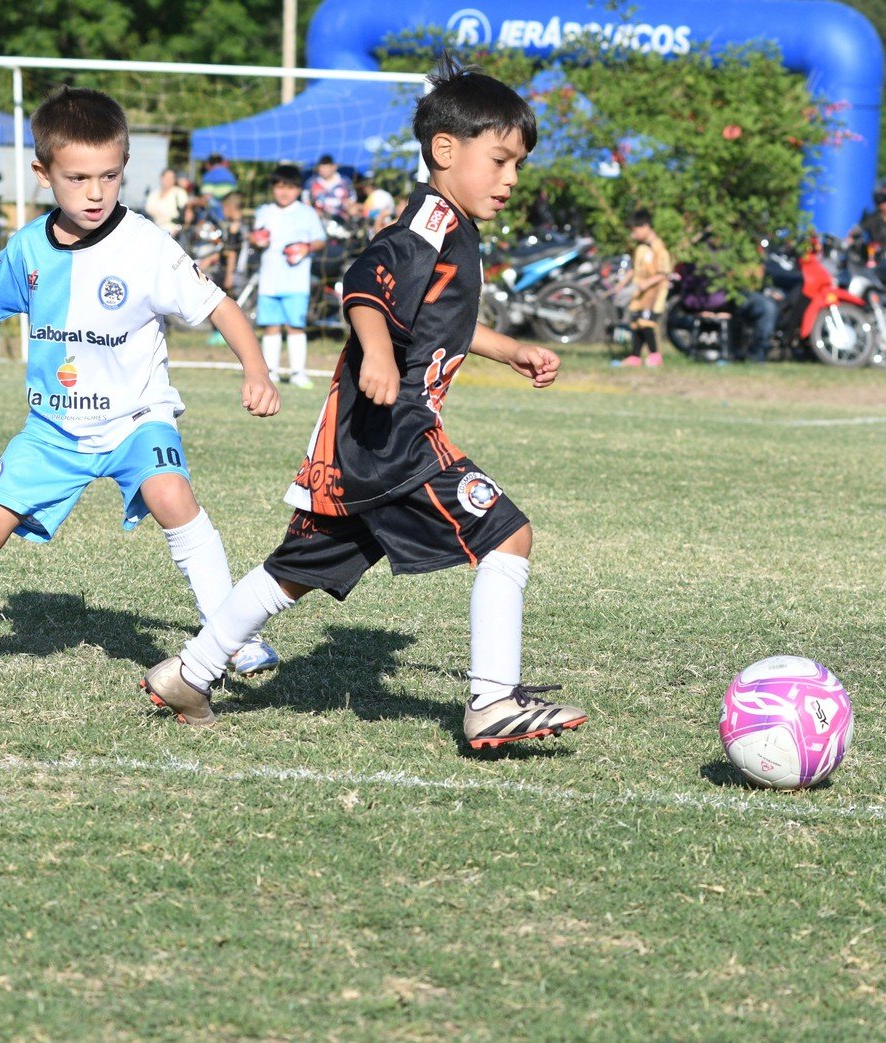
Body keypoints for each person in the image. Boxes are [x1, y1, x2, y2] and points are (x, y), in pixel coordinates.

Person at [141, 55, 589, 751]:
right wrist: (376, 352)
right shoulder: (432, 219)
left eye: (517, 167)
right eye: (499, 160)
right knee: (506, 533)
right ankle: (493, 701)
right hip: (396, 432)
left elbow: (441, 321)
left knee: (296, 570)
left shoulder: (454, 228)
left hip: (358, 443)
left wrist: (510, 349)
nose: (509, 179)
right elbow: (363, 280)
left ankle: (191, 671)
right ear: (445, 150)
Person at [0, 87, 283, 679]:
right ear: (42, 173)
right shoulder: (28, 246)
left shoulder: (147, 246)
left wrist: (255, 371)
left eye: (109, 175)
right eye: (78, 178)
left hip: (136, 418)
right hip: (53, 427)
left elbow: (222, 307)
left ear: (124, 167)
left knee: (172, 497)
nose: (96, 192)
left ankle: (229, 637)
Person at [253, 163, 326, 388]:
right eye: (279, 186)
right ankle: (270, 372)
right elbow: (256, 239)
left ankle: (297, 372)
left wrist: (306, 247)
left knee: (295, 326)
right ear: (273, 188)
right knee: (271, 326)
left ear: (298, 189)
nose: (284, 192)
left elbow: (320, 240)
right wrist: (256, 241)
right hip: (269, 281)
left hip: (296, 282)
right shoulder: (264, 212)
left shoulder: (307, 213)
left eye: (290, 187)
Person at [620, 208, 671, 367]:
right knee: (637, 323)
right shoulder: (641, 248)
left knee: (646, 322)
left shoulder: (658, 247)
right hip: (640, 292)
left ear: (645, 226)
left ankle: (655, 356)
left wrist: (645, 285)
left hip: (654, 292)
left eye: (635, 230)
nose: (632, 235)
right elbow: (635, 269)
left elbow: (664, 273)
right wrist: (621, 284)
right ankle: (635, 357)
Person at [305, 153, 354, 221]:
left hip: (341, 218)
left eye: (326, 167)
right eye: (321, 167)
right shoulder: (311, 183)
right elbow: (306, 200)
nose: (323, 170)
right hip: (319, 218)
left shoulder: (345, 182)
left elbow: (352, 199)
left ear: (334, 167)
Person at [143, 168, 188, 235]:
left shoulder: (179, 193)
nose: (168, 180)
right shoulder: (154, 194)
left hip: (173, 230)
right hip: (153, 228)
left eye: (171, 178)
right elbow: (147, 210)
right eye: (166, 177)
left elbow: (187, 211)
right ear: (161, 178)